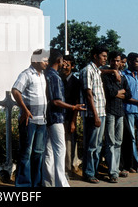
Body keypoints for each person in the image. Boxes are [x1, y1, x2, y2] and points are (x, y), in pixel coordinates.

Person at [43, 50, 86, 187]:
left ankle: (48, 181)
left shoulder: (46, 74)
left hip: (48, 116)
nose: (64, 63)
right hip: (56, 117)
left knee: (49, 151)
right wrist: (73, 107)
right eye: (63, 61)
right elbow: (56, 101)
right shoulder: (54, 77)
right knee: (59, 151)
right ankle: (61, 183)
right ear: (58, 61)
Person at [11, 49, 49, 187]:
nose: (47, 62)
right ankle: (23, 184)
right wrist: (25, 110)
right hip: (30, 120)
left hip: (42, 120)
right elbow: (15, 90)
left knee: (38, 153)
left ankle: (36, 183)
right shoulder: (26, 74)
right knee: (26, 153)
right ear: (35, 60)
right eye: (44, 60)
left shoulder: (42, 75)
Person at [101, 51, 132, 183]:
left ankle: (116, 168)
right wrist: (121, 91)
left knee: (118, 142)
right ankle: (112, 172)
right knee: (110, 142)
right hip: (109, 111)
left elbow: (129, 95)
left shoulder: (123, 77)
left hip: (120, 112)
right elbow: (109, 92)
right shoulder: (106, 76)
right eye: (113, 60)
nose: (116, 63)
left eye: (118, 61)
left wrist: (119, 93)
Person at [80, 45, 108, 184]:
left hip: (101, 112)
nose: (105, 59)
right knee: (91, 145)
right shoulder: (87, 71)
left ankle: (94, 171)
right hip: (93, 114)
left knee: (98, 145)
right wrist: (95, 115)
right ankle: (89, 172)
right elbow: (88, 94)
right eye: (103, 56)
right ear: (95, 56)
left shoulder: (97, 71)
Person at [60, 54, 82, 178]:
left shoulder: (75, 82)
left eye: (67, 64)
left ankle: (67, 170)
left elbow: (76, 103)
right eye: (63, 64)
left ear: (72, 66)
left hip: (69, 117)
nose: (64, 66)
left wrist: (73, 121)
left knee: (68, 145)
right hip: (58, 116)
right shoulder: (58, 79)